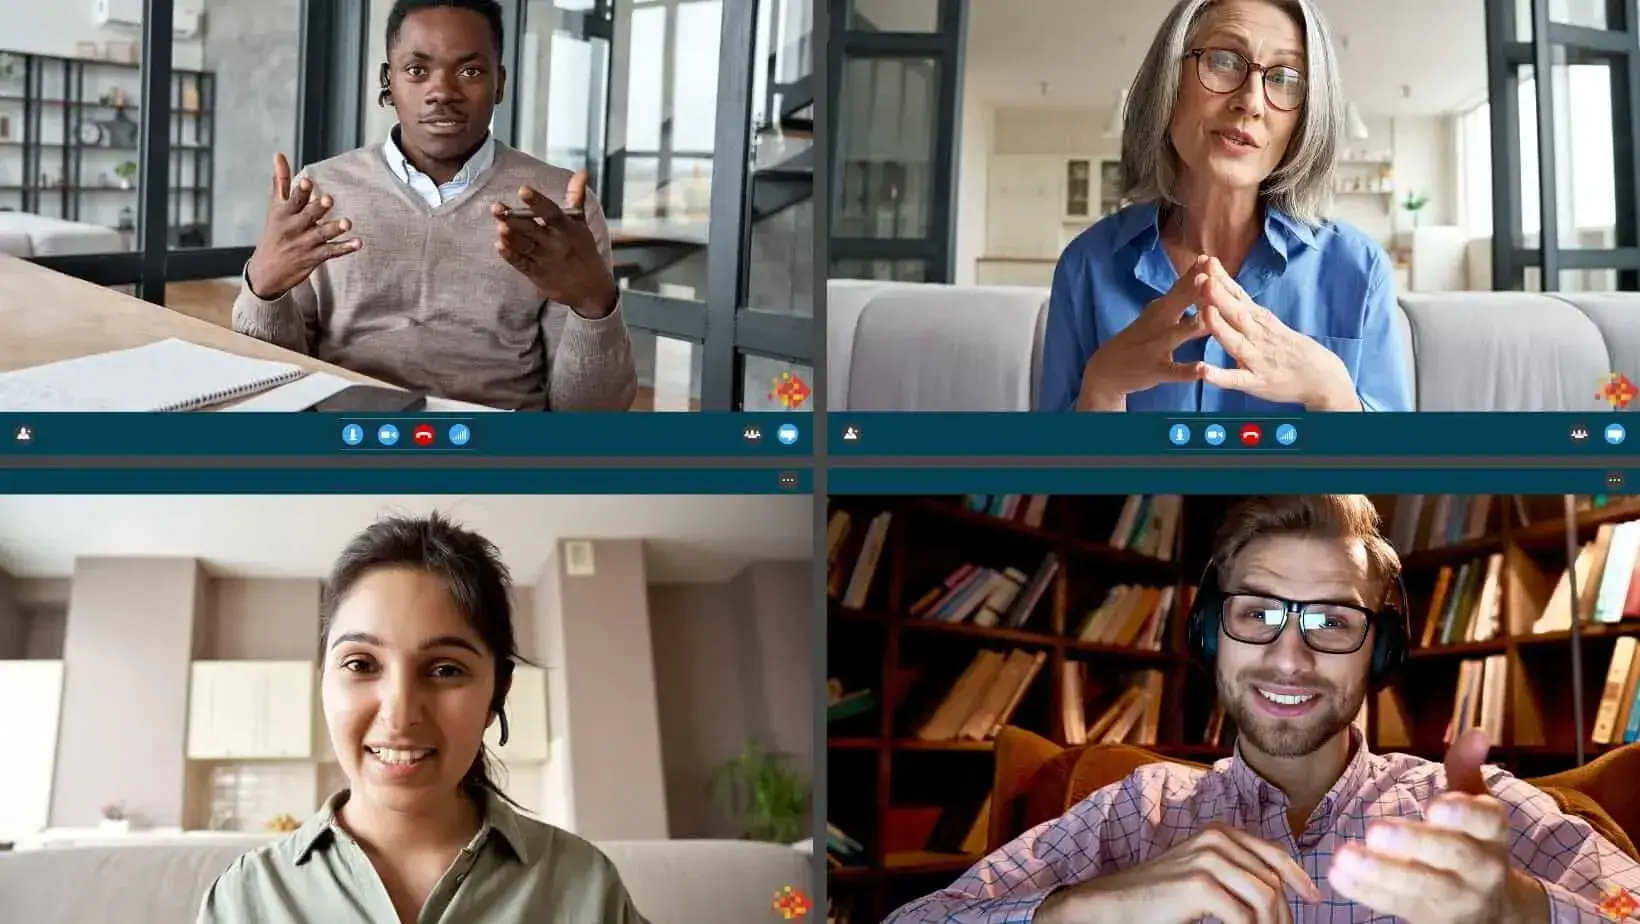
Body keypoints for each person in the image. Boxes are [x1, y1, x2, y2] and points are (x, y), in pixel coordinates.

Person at [886, 495, 1640, 923]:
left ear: (1379, 652)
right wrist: (1085, 911)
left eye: (1332, 622)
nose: (1289, 656)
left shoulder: (1476, 810)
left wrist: (1522, 910)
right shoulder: (1132, 811)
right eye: (1257, 615)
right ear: (1212, 634)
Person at [197, 513, 649, 923]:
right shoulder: (245, 898)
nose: (399, 713)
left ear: (498, 692)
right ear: (323, 682)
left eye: (445, 669)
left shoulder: (584, 885)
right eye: (360, 664)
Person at [233, 0, 637, 411]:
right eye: (416, 70)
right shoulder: (318, 190)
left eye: (470, 71)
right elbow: (274, 381)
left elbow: (590, 414)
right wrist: (264, 290)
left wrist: (595, 308)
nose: (442, 92)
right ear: (388, 82)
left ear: (500, 84)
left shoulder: (561, 207)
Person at [1038, 0, 1413, 413]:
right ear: (1169, 80)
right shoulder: (1086, 266)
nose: (1251, 102)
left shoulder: (1360, 271)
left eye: (1286, 78)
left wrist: (1331, 392)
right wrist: (1102, 389)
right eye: (1223, 60)